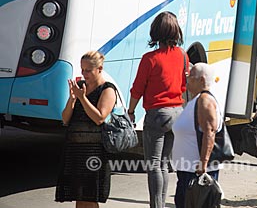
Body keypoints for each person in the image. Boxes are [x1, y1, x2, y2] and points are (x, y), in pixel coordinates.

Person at [128, 11, 188, 208]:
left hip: (157, 114)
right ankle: (160, 204)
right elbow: (184, 85)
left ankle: (157, 206)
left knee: (153, 164)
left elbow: (137, 88)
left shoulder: (150, 59)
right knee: (164, 164)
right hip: (177, 113)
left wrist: (130, 110)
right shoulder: (183, 56)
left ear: (155, 32)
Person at [56, 51, 117, 207]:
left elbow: (99, 118)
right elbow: (65, 118)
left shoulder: (107, 90)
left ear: (99, 69)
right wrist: (72, 98)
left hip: (94, 151)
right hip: (75, 149)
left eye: (88, 70)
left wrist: (82, 98)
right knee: (79, 196)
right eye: (82, 69)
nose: (84, 74)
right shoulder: (80, 87)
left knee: (90, 198)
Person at [171, 63, 222, 208]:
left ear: (202, 80)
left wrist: (203, 163)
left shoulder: (205, 101)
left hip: (196, 170)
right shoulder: (197, 99)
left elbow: (210, 132)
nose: (187, 79)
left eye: (191, 76)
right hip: (188, 169)